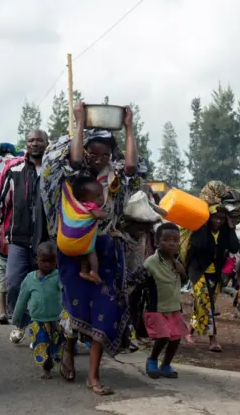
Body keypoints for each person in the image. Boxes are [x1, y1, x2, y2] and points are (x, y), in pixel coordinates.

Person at [40, 102, 145, 395]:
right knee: (75, 306)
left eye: (105, 154)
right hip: (74, 249)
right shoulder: (76, 177)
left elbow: (133, 167)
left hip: (107, 248)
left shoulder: (114, 177)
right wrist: (80, 123)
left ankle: (94, 376)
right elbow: (73, 160)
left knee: (105, 308)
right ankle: (69, 351)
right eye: (93, 152)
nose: (98, 158)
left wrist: (129, 128)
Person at [0, 128, 50, 344]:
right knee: (14, 283)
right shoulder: (14, 169)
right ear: (27, 143)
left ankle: (42, 329)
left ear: (46, 143)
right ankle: (21, 322)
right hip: (19, 238)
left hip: (48, 240)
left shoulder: (54, 168)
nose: (35, 144)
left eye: (39, 140)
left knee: (46, 286)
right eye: (31, 140)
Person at [187, 206, 240, 352]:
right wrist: (203, 224)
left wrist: (231, 228)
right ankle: (213, 340)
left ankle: (188, 332)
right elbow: (200, 245)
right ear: (208, 217)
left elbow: (235, 248)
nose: (218, 221)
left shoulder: (224, 233)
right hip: (198, 273)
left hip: (215, 275)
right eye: (215, 217)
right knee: (206, 305)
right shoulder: (200, 230)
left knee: (204, 305)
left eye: (221, 219)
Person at [140, 223, 188, 379]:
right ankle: (152, 360)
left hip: (174, 307)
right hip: (157, 308)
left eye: (175, 240)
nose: (172, 243)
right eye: (166, 240)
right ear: (157, 241)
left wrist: (183, 272)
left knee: (176, 338)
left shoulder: (177, 261)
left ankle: (166, 364)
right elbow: (142, 282)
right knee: (164, 336)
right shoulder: (150, 263)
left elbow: (184, 283)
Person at [12, 241, 65, 379]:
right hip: (37, 321)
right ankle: (46, 368)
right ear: (37, 259)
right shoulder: (30, 279)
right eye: (44, 261)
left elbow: (66, 292)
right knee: (41, 345)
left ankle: (59, 362)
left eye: (52, 261)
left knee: (56, 345)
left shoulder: (58, 276)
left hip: (56, 320)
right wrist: (17, 319)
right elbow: (22, 300)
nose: (48, 264)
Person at [58, 175, 107, 284]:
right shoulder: (91, 206)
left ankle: (84, 271)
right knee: (91, 252)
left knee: (83, 253)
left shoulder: (79, 204)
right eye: (98, 195)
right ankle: (94, 272)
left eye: (101, 194)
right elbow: (99, 215)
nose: (101, 198)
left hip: (72, 244)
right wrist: (105, 213)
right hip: (82, 244)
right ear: (85, 198)